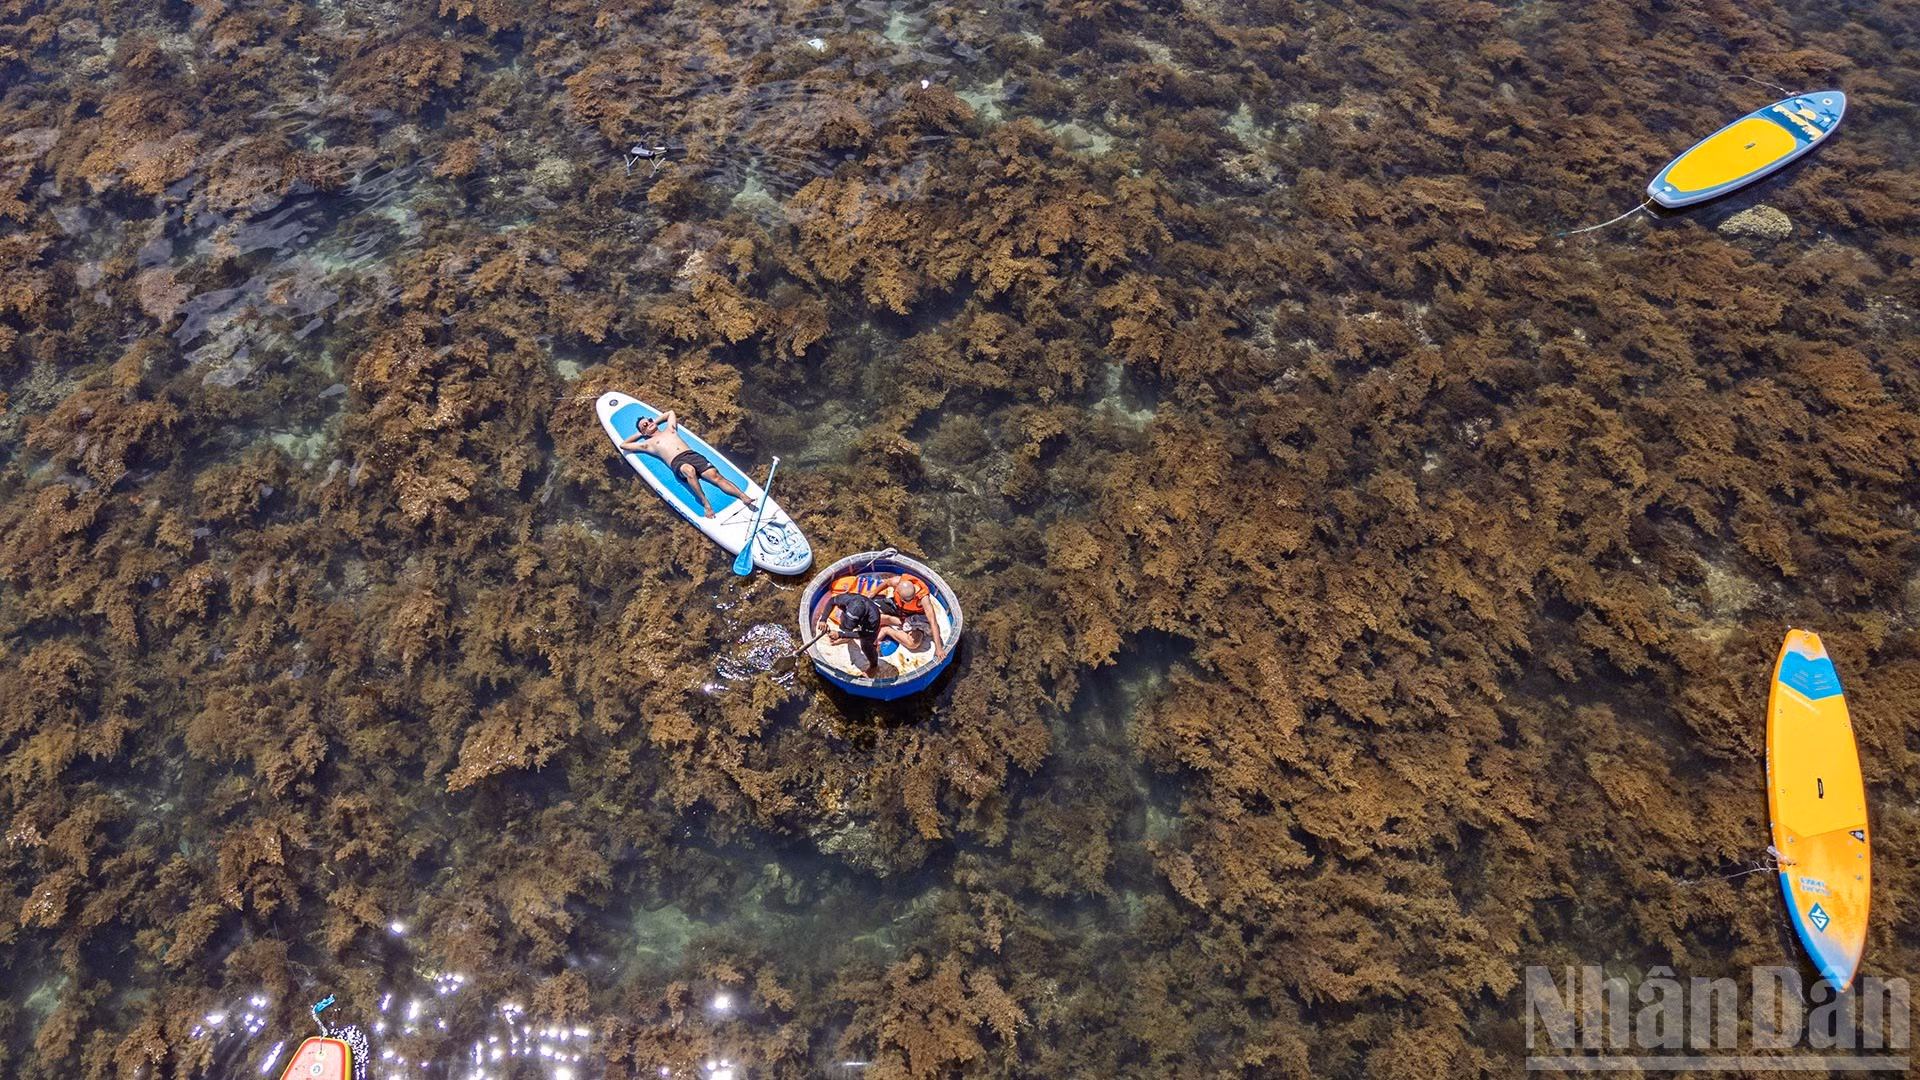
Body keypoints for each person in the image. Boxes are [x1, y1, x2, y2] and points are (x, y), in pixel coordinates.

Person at [618, 410, 757, 519]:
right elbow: (624, 445)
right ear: (643, 432)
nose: (649, 423)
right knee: (689, 471)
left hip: (692, 455)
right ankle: (705, 503)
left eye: (649, 420)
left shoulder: (670, 429)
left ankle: (743, 496)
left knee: (716, 476)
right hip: (677, 462)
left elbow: (670, 413)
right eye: (645, 425)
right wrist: (639, 433)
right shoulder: (648, 444)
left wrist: (654, 421)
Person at [817, 590, 886, 677]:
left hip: (867, 628)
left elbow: (863, 635)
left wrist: (840, 634)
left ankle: (874, 666)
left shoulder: (873, 619)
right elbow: (832, 601)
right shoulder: (847, 599)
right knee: (845, 627)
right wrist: (823, 620)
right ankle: (847, 635)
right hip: (852, 616)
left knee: (866, 645)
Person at [873, 573, 943, 656]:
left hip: (914, 617)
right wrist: (873, 593)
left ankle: (887, 630)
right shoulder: (897, 581)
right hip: (898, 607)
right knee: (871, 613)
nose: (905, 601)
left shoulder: (923, 599)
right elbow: (887, 583)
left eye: (908, 600)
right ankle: (889, 620)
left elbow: (933, 622)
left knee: (913, 644)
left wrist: (938, 648)